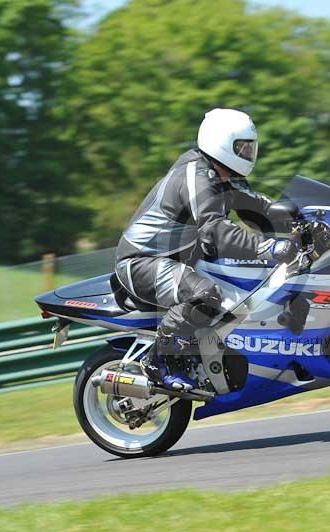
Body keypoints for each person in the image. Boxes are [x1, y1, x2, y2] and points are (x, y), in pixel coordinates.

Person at [115, 108, 298, 391]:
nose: (249, 153)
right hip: (144, 261)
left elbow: (260, 210)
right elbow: (215, 231)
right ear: (222, 143)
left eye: (251, 147)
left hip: (183, 258)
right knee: (206, 293)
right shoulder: (196, 175)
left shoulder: (227, 175)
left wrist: (303, 222)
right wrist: (269, 247)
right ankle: (161, 360)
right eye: (243, 147)